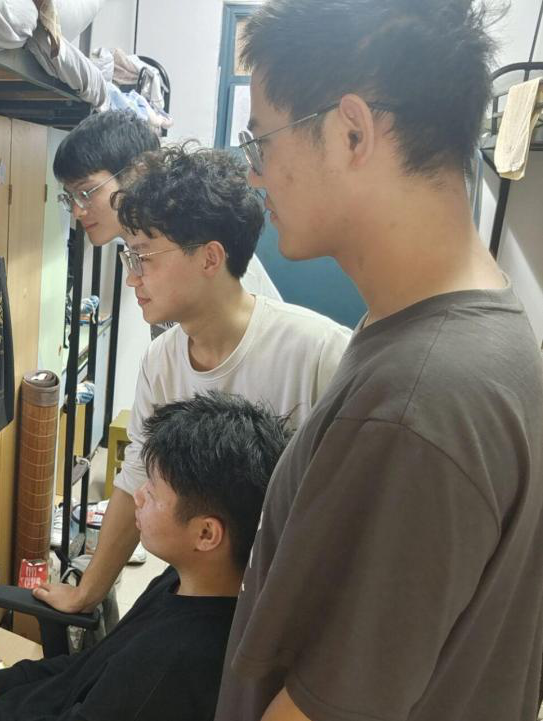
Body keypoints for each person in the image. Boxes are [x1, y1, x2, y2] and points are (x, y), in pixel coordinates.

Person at [213, 2, 543, 721]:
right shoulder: (465, 331)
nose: (256, 176)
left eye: (260, 141)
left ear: (352, 131)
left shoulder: (421, 398)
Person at [0, 392, 291, 721]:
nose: (138, 496)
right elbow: (89, 668)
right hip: (21, 701)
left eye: (155, 491)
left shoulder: (178, 659)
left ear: (206, 533)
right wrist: (0, 683)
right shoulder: (182, 584)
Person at [33, 144, 351, 616]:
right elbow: (135, 477)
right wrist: (86, 593)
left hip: (290, 606)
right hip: (204, 599)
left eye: (143, 257)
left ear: (209, 258)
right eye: (129, 257)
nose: (132, 278)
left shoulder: (321, 354)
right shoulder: (162, 360)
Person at [53, 109, 283, 302]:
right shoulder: (144, 242)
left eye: (87, 192)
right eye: (71, 197)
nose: (77, 211)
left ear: (138, 172)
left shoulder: (193, 246)